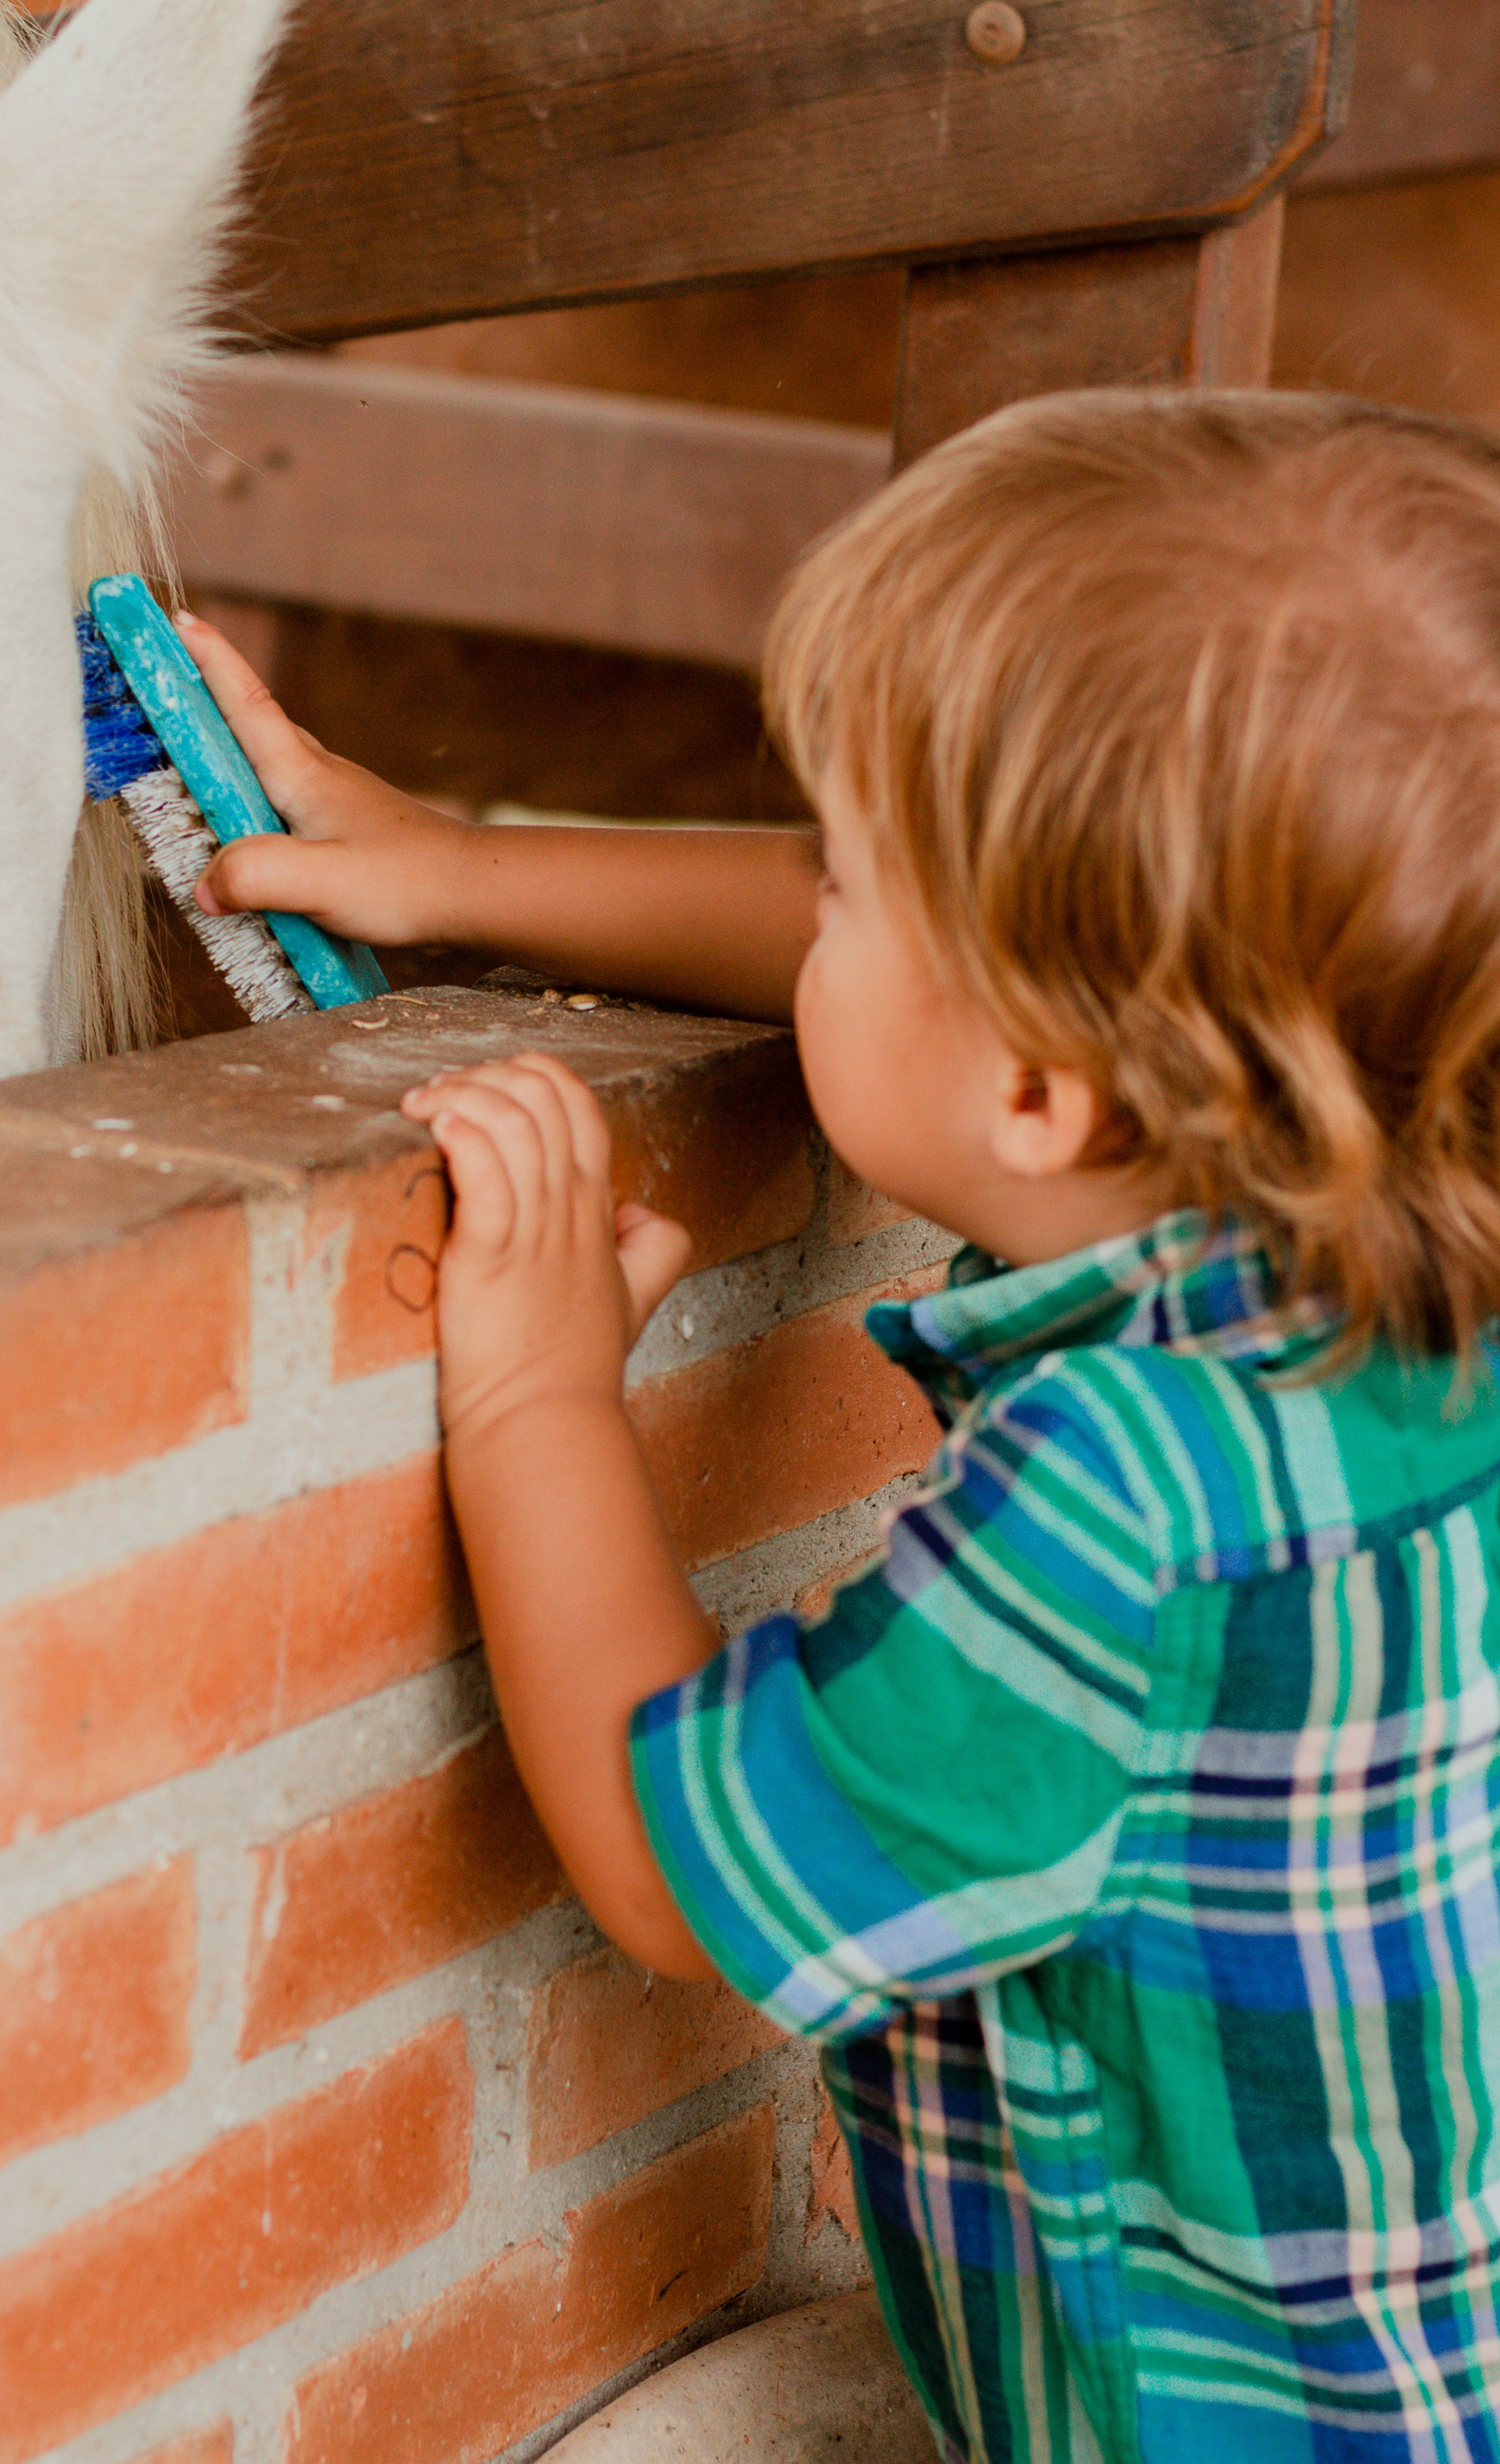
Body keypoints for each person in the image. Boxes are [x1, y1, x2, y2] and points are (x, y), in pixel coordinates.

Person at [180, 386, 1500, 2462]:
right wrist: (455, 866)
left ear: (1052, 1102)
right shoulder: (1424, 1327)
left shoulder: (1127, 1500)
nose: (801, 912)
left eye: (840, 889)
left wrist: (537, 1389)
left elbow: (662, 1866)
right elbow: (959, 965)